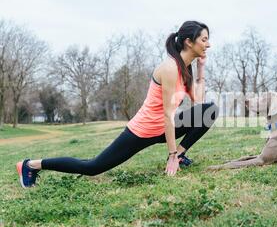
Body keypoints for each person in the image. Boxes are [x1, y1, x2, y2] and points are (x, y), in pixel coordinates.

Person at [16, 21, 219, 188]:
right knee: (93, 167)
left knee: (210, 110)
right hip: (143, 131)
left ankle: (181, 156)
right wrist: (171, 154)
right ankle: (31, 165)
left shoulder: (186, 68)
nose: (208, 44)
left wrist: (201, 69)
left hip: (164, 128)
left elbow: (198, 102)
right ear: (189, 42)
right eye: (204, 39)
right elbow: (167, 115)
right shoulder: (170, 68)